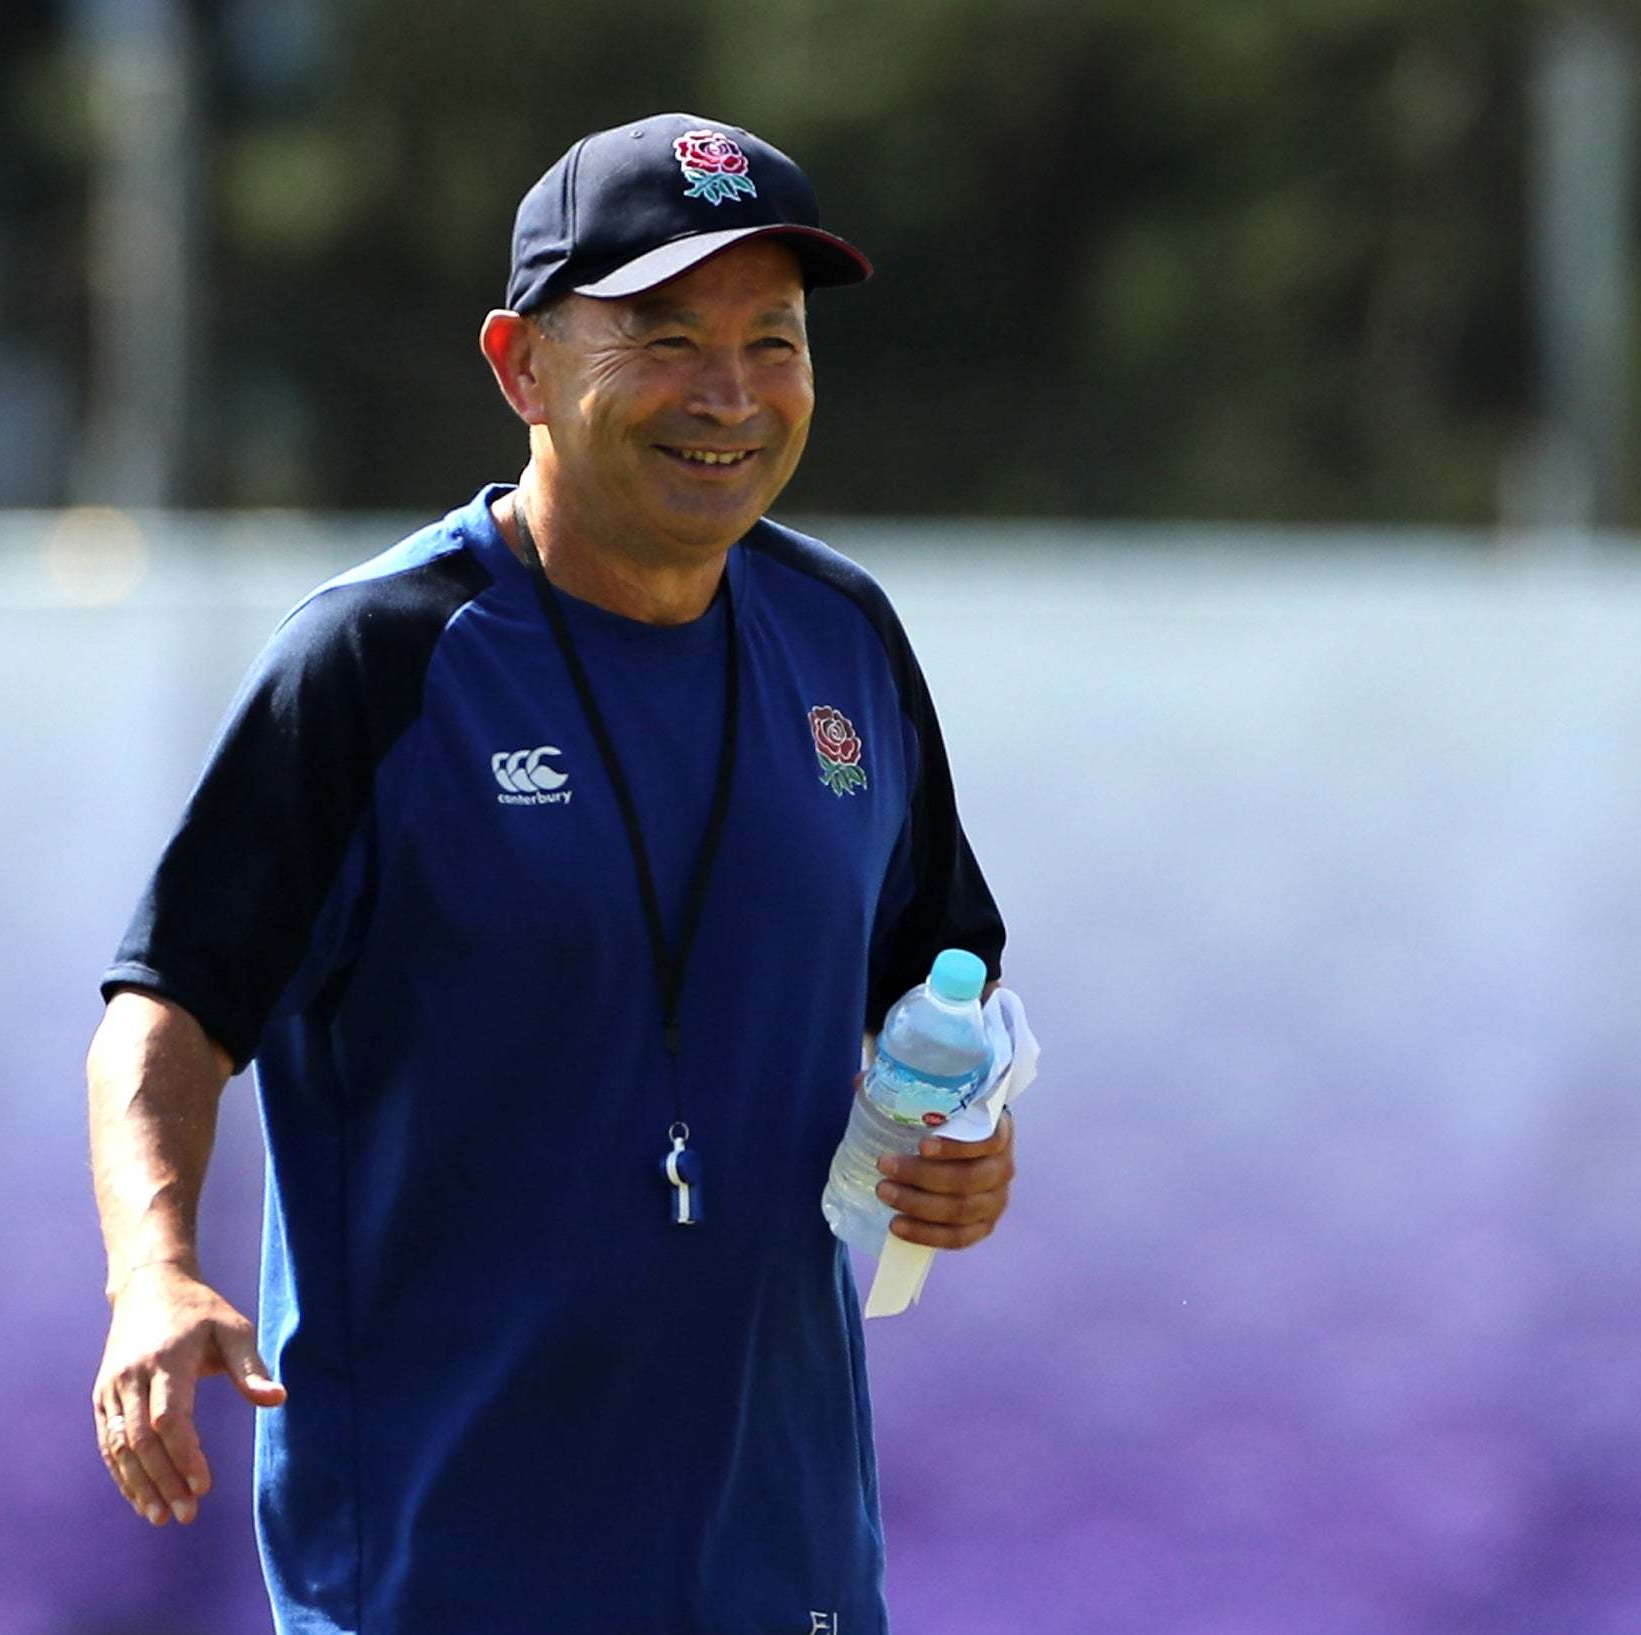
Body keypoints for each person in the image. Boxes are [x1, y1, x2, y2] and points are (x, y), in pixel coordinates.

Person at [86, 112, 1015, 1634]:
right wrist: (154, 1270)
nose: (728, 395)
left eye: (772, 342)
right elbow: (167, 1009)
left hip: (786, 1575)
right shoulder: (377, 662)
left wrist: (965, 1138)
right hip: (443, 1577)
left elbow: (944, 977)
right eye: (662, 337)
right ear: (520, 365)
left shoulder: (845, 639)